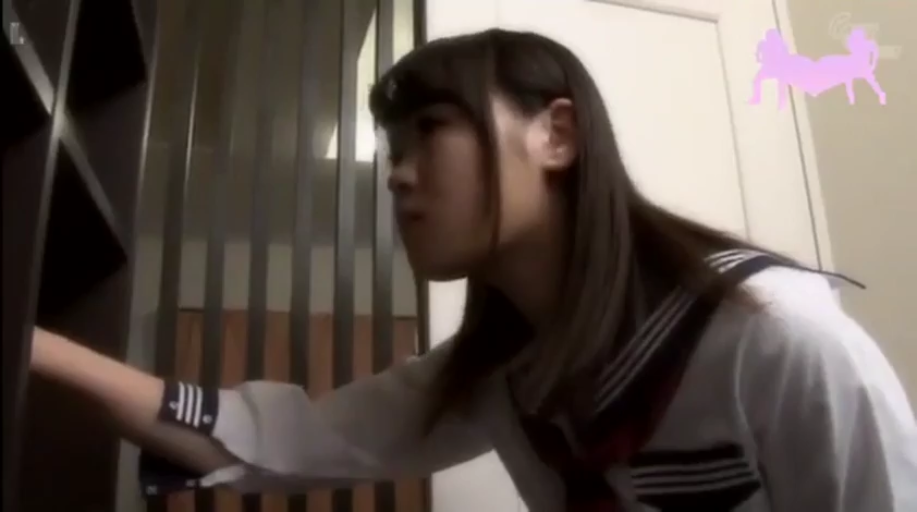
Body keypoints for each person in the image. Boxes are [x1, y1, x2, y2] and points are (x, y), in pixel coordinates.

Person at [30, 28, 916, 511]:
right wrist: (29, 344)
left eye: (430, 132)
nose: (397, 174)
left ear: (556, 135)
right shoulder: (500, 376)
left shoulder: (776, 340)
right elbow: (270, 439)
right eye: (392, 148)